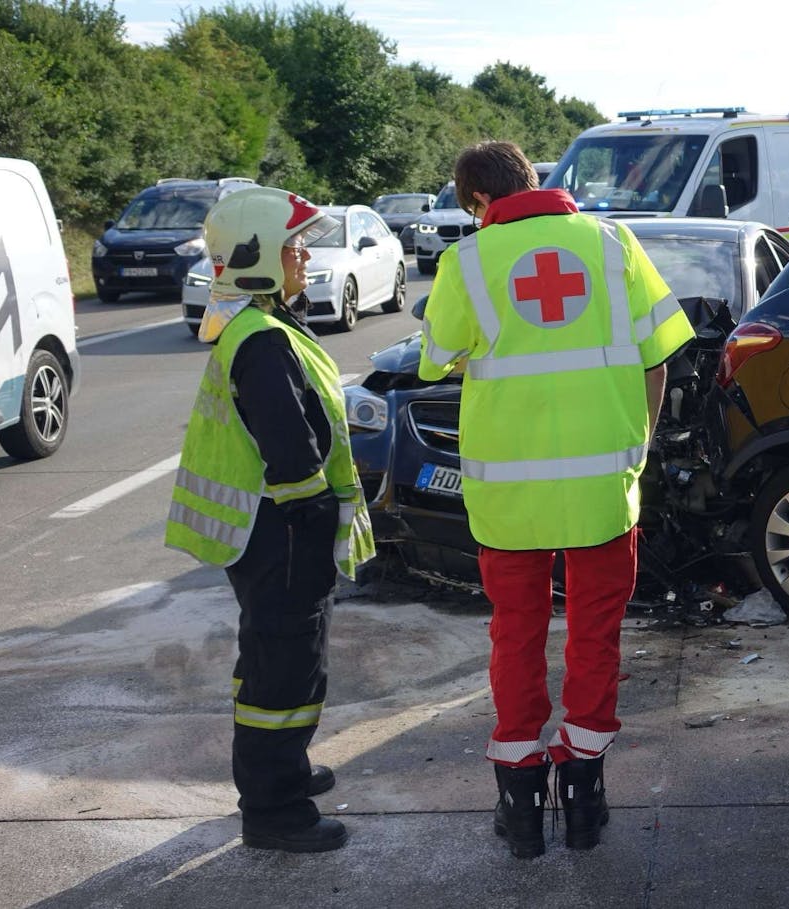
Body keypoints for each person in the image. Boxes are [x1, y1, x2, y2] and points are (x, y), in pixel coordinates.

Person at [417, 140, 694, 860]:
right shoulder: (612, 243)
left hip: (507, 498)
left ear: (477, 200)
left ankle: (518, 808)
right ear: (532, 180)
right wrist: (637, 449)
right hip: (602, 490)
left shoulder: (467, 261)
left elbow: (438, 354)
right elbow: (657, 358)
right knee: (594, 636)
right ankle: (583, 797)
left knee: (516, 636)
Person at [164, 187, 376, 853]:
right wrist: (315, 512)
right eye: (293, 246)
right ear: (256, 259)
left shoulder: (261, 324)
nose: (305, 255)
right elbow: (290, 446)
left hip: (271, 530)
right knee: (282, 670)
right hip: (284, 529)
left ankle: (281, 765)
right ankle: (274, 808)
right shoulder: (259, 339)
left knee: (277, 658)